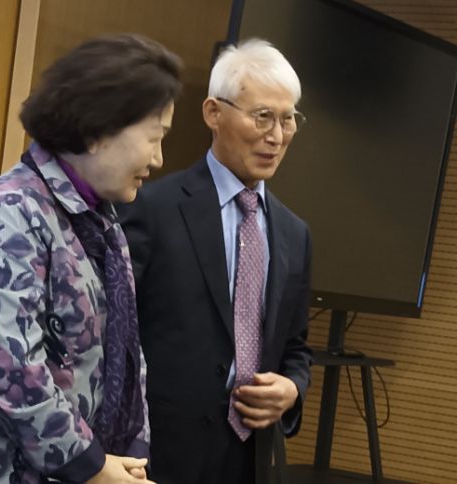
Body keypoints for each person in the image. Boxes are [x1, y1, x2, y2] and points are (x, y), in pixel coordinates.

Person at [0, 34, 181, 484]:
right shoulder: (6, 211)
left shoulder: (102, 223)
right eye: (154, 138)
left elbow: (127, 359)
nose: (158, 159)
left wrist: (128, 459)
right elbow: (10, 370)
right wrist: (93, 466)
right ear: (97, 131)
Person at [117, 38, 313, 484]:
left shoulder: (295, 234)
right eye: (262, 116)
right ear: (213, 113)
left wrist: (291, 389)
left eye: (287, 119)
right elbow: (112, 337)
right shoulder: (151, 208)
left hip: (251, 462)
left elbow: (296, 347)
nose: (276, 136)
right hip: (158, 457)